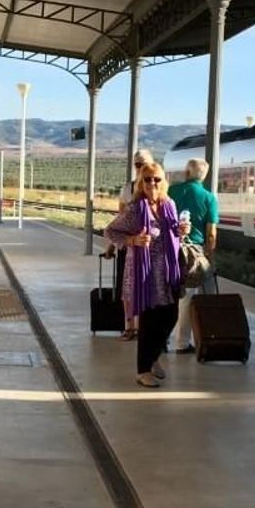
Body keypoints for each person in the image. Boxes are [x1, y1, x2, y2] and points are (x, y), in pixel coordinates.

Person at [105, 163, 190, 387]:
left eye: (157, 179)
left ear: (164, 182)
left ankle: (153, 357)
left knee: (170, 316)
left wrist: (182, 232)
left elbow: (173, 236)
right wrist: (132, 240)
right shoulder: (135, 208)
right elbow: (111, 231)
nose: (152, 183)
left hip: (168, 272)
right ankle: (143, 370)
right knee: (150, 321)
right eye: (147, 179)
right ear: (141, 183)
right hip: (145, 274)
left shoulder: (169, 205)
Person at [168, 158, 220, 355]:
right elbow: (211, 234)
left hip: (170, 247)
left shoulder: (171, 191)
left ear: (187, 173)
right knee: (187, 296)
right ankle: (182, 343)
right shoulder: (208, 197)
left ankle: (161, 339)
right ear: (204, 176)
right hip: (194, 252)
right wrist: (210, 259)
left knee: (166, 293)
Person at [104, 148, 156, 340]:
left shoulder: (159, 188)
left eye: (144, 164)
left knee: (148, 288)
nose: (140, 167)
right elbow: (119, 219)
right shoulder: (127, 189)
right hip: (130, 247)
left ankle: (145, 326)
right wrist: (114, 244)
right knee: (126, 288)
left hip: (152, 249)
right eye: (137, 164)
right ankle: (129, 326)